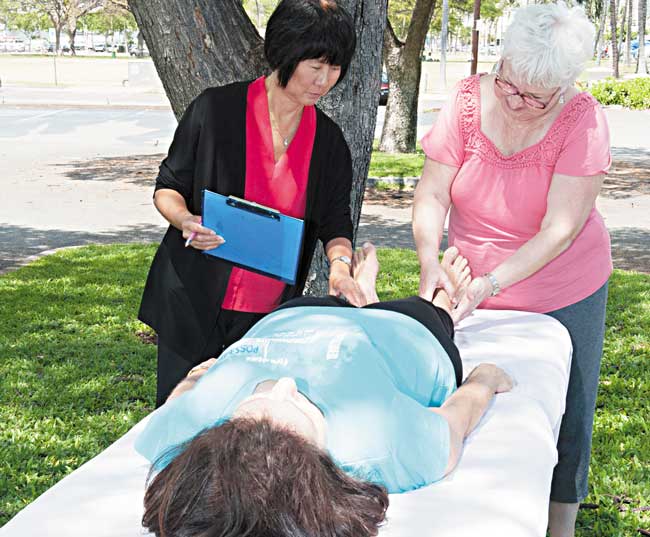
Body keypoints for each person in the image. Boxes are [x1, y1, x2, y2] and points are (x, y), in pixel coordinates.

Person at [135, 243, 513, 537]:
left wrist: (198, 376)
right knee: (433, 309)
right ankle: (443, 299)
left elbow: (178, 402)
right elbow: (452, 425)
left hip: (295, 316)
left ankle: (358, 295)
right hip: (403, 335)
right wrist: (484, 380)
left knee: (328, 302)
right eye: (297, 405)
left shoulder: (190, 446)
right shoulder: (376, 443)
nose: (285, 385)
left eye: (256, 401)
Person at [412, 3, 610, 536]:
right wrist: (431, 259)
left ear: (564, 88)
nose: (516, 102)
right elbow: (432, 192)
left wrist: (493, 282)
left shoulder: (582, 119)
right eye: (509, 85)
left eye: (534, 98)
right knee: (451, 393)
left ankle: (558, 526)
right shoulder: (468, 101)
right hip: (465, 283)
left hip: (562, 287)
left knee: (567, 416)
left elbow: (559, 229)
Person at [139, 0, 365, 408]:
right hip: (192, 300)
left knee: (242, 429)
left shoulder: (329, 142)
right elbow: (167, 186)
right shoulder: (215, 109)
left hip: (265, 318)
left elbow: (336, 222)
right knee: (179, 420)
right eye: (315, 66)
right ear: (284, 53)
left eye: (334, 68)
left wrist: (340, 269)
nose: (325, 80)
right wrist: (186, 220)